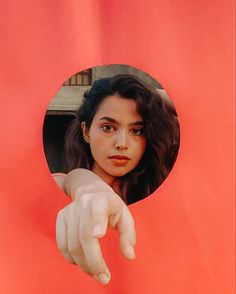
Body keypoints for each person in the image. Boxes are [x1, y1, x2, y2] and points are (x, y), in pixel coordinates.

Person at [53, 74, 179, 285]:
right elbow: (71, 181)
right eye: (108, 127)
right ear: (86, 131)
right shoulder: (66, 185)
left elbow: (214, 107)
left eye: (136, 131)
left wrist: (148, 95)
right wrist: (88, 186)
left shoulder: (160, 187)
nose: (122, 143)